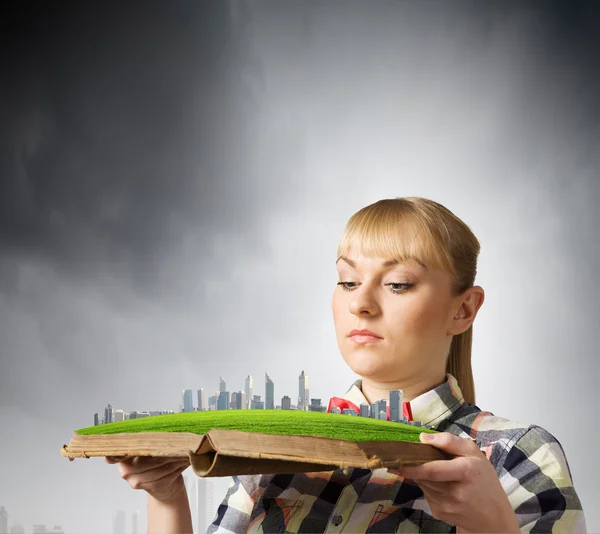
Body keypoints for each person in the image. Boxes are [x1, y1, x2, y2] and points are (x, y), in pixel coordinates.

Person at [106, 197, 587, 533]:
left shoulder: (518, 455)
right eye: (347, 282)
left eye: (397, 283)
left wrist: (492, 528)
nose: (362, 304)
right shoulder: (273, 453)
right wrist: (166, 495)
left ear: (462, 309)